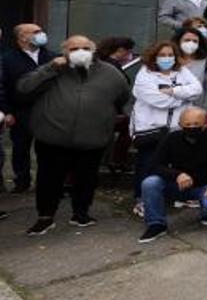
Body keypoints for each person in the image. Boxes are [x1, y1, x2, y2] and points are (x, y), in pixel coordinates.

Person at [15, 35, 128, 236]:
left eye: (85, 47)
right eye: (74, 48)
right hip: (53, 137)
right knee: (49, 179)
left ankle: (81, 213)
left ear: (94, 50)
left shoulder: (111, 73)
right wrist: (50, 68)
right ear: (65, 51)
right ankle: (45, 216)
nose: (80, 51)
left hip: (92, 138)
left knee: (87, 178)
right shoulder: (53, 70)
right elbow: (24, 88)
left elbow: (122, 97)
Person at [129, 41, 203, 215]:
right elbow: (156, 100)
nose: (167, 58)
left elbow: (197, 89)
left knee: (176, 164)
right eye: (162, 55)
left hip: (176, 128)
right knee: (148, 163)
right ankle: (142, 200)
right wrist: (182, 95)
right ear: (154, 56)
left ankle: (177, 196)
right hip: (151, 129)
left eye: (170, 55)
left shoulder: (182, 71)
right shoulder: (145, 74)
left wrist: (172, 91)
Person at [137, 108, 207, 242]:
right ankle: (156, 224)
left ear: (205, 124)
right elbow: (154, 165)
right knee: (150, 182)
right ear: (180, 124)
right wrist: (177, 175)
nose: (192, 127)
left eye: (196, 124)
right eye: (188, 124)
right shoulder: (171, 138)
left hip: (206, 186)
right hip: (178, 185)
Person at [2, 23, 56, 194]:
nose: (42, 34)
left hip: (48, 111)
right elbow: (3, 87)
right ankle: (22, 181)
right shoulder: (7, 59)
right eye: (36, 32)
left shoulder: (52, 57)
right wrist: (7, 111)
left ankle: (47, 183)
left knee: (47, 150)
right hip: (21, 111)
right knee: (20, 148)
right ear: (22, 37)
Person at [173, 27, 207, 111]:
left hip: (194, 113)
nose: (191, 43)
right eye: (187, 40)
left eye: (195, 41)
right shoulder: (170, 61)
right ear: (178, 41)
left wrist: (204, 111)